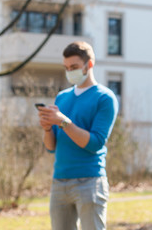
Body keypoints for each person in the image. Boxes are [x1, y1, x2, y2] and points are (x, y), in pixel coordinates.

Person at [38, 41, 118, 230]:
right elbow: (51, 148)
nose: (69, 72)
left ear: (89, 64)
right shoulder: (62, 97)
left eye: (74, 67)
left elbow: (96, 143)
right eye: (66, 68)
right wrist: (48, 128)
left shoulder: (105, 98)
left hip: (89, 182)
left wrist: (63, 122)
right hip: (60, 181)